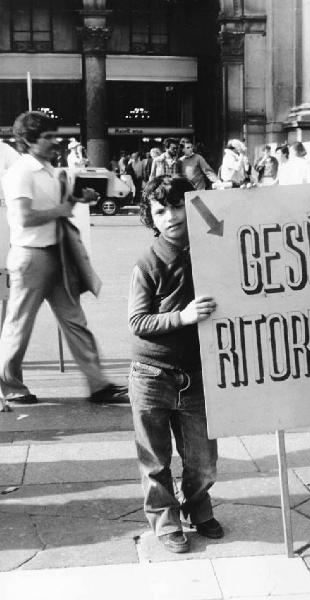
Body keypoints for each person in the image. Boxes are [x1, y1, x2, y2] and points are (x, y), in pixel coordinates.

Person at [0, 111, 128, 408]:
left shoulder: (48, 170)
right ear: (29, 141)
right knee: (19, 326)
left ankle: (98, 385)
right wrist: (61, 210)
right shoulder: (20, 173)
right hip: (30, 256)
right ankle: (10, 386)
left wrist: (79, 200)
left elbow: (60, 206)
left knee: (75, 322)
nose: (54, 141)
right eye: (47, 137)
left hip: (55, 253)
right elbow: (24, 217)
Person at [128, 175, 223, 554]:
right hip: (151, 373)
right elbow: (138, 322)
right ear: (151, 218)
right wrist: (180, 318)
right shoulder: (148, 261)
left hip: (198, 373)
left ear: (193, 205)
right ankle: (165, 519)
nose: (170, 216)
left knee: (203, 460)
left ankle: (197, 504)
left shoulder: (212, 247)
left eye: (177, 205)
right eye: (160, 210)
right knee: (154, 458)